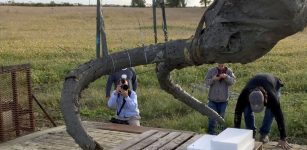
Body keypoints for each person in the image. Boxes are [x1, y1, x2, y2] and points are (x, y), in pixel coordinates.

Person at [234, 73, 291, 150]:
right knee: (246, 110)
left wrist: (283, 138)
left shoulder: (272, 97)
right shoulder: (244, 95)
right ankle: (251, 134)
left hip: (273, 85)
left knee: (270, 112)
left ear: (264, 100)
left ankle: (264, 134)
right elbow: (238, 113)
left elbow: (279, 115)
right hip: (255, 83)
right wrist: (235, 133)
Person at [205, 63, 236, 135]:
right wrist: (213, 79)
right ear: (217, 63)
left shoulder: (229, 71)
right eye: (219, 64)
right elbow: (206, 82)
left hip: (223, 100)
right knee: (212, 118)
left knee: (221, 119)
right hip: (212, 99)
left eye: (222, 64)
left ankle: (221, 134)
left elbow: (233, 82)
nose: (221, 65)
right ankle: (211, 134)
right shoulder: (211, 71)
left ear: (224, 64)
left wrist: (226, 77)